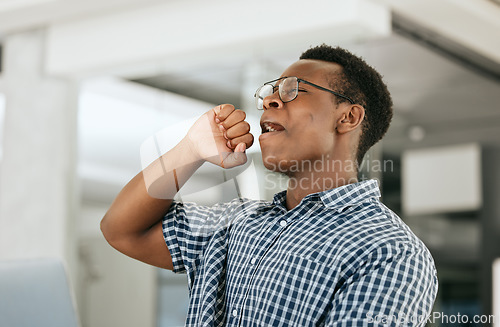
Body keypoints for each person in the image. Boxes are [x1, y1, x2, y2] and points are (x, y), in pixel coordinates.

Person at [101, 44, 438, 326]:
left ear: (347, 117)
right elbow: (121, 230)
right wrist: (190, 150)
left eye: (292, 89)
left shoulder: (389, 251)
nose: (270, 102)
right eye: (271, 92)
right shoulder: (236, 223)